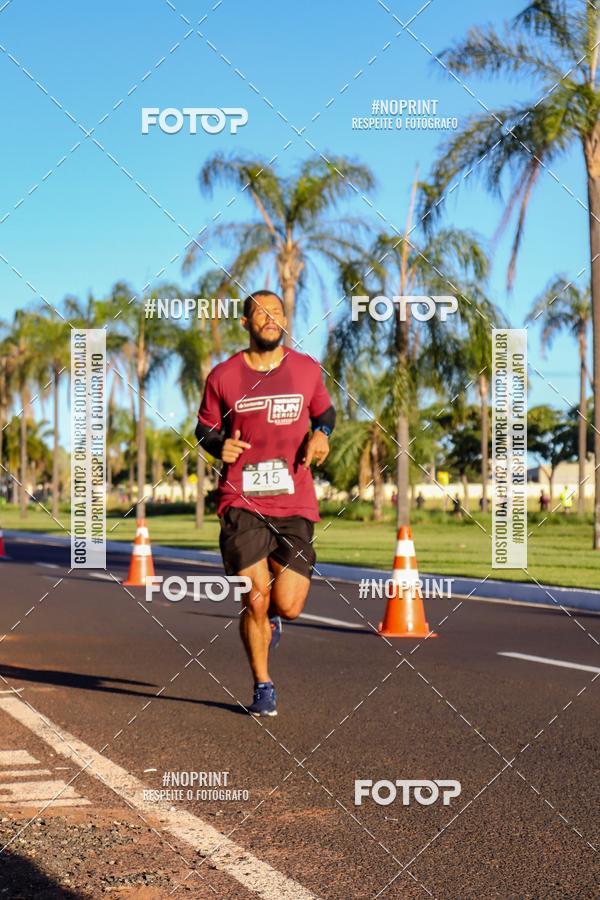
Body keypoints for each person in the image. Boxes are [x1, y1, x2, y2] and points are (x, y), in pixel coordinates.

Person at [195, 290, 335, 717]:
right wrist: (219, 445)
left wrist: (322, 434)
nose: (271, 318)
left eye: (277, 312)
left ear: (285, 320)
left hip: (295, 501)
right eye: (261, 313)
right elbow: (205, 429)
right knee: (254, 596)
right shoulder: (223, 376)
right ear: (246, 323)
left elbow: (325, 414)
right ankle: (263, 684)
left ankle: (273, 617)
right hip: (241, 498)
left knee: (288, 605)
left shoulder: (306, 369)